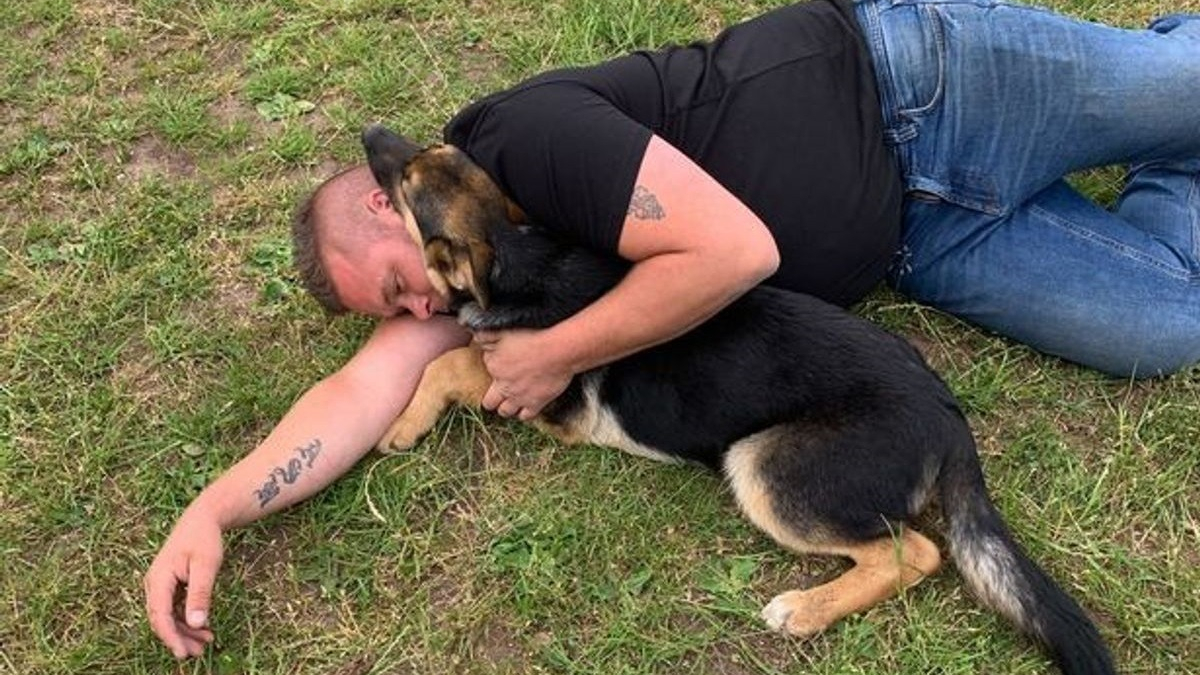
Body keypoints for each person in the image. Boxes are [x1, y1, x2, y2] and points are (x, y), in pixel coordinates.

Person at [145, 0, 1200, 658]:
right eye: (405, 314)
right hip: (925, 243)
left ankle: (1165, 76)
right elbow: (359, 399)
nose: (421, 313)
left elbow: (734, 253)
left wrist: (555, 353)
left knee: (1187, 87)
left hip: (924, 87)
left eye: (396, 290)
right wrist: (215, 510)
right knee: (1168, 324)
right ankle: (1168, 158)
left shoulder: (520, 140)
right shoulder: (472, 277)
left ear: (390, 204)